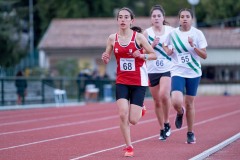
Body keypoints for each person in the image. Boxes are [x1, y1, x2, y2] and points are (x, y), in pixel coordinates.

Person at [101, 7, 156, 157]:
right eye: (120, 17)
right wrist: (106, 57)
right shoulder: (112, 38)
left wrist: (142, 56)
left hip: (138, 81)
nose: (123, 20)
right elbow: (107, 55)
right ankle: (129, 146)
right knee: (122, 114)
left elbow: (154, 54)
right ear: (117, 20)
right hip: (122, 80)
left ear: (132, 21)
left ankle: (142, 108)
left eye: (126, 17)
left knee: (133, 120)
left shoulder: (138, 38)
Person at [163, 8, 208, 144]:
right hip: (177, 71)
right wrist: (169, 52)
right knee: (176, 101)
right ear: (179, 18)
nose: (184, 18)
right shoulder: (173, 34)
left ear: (191, 19)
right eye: (182, 16)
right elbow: (165, 45)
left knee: (189, 103)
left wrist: (193, 46)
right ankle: (179, 112)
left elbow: (204, 55)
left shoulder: (197, 34)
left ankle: (190, 132)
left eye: (187, 16)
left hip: (193, 72)